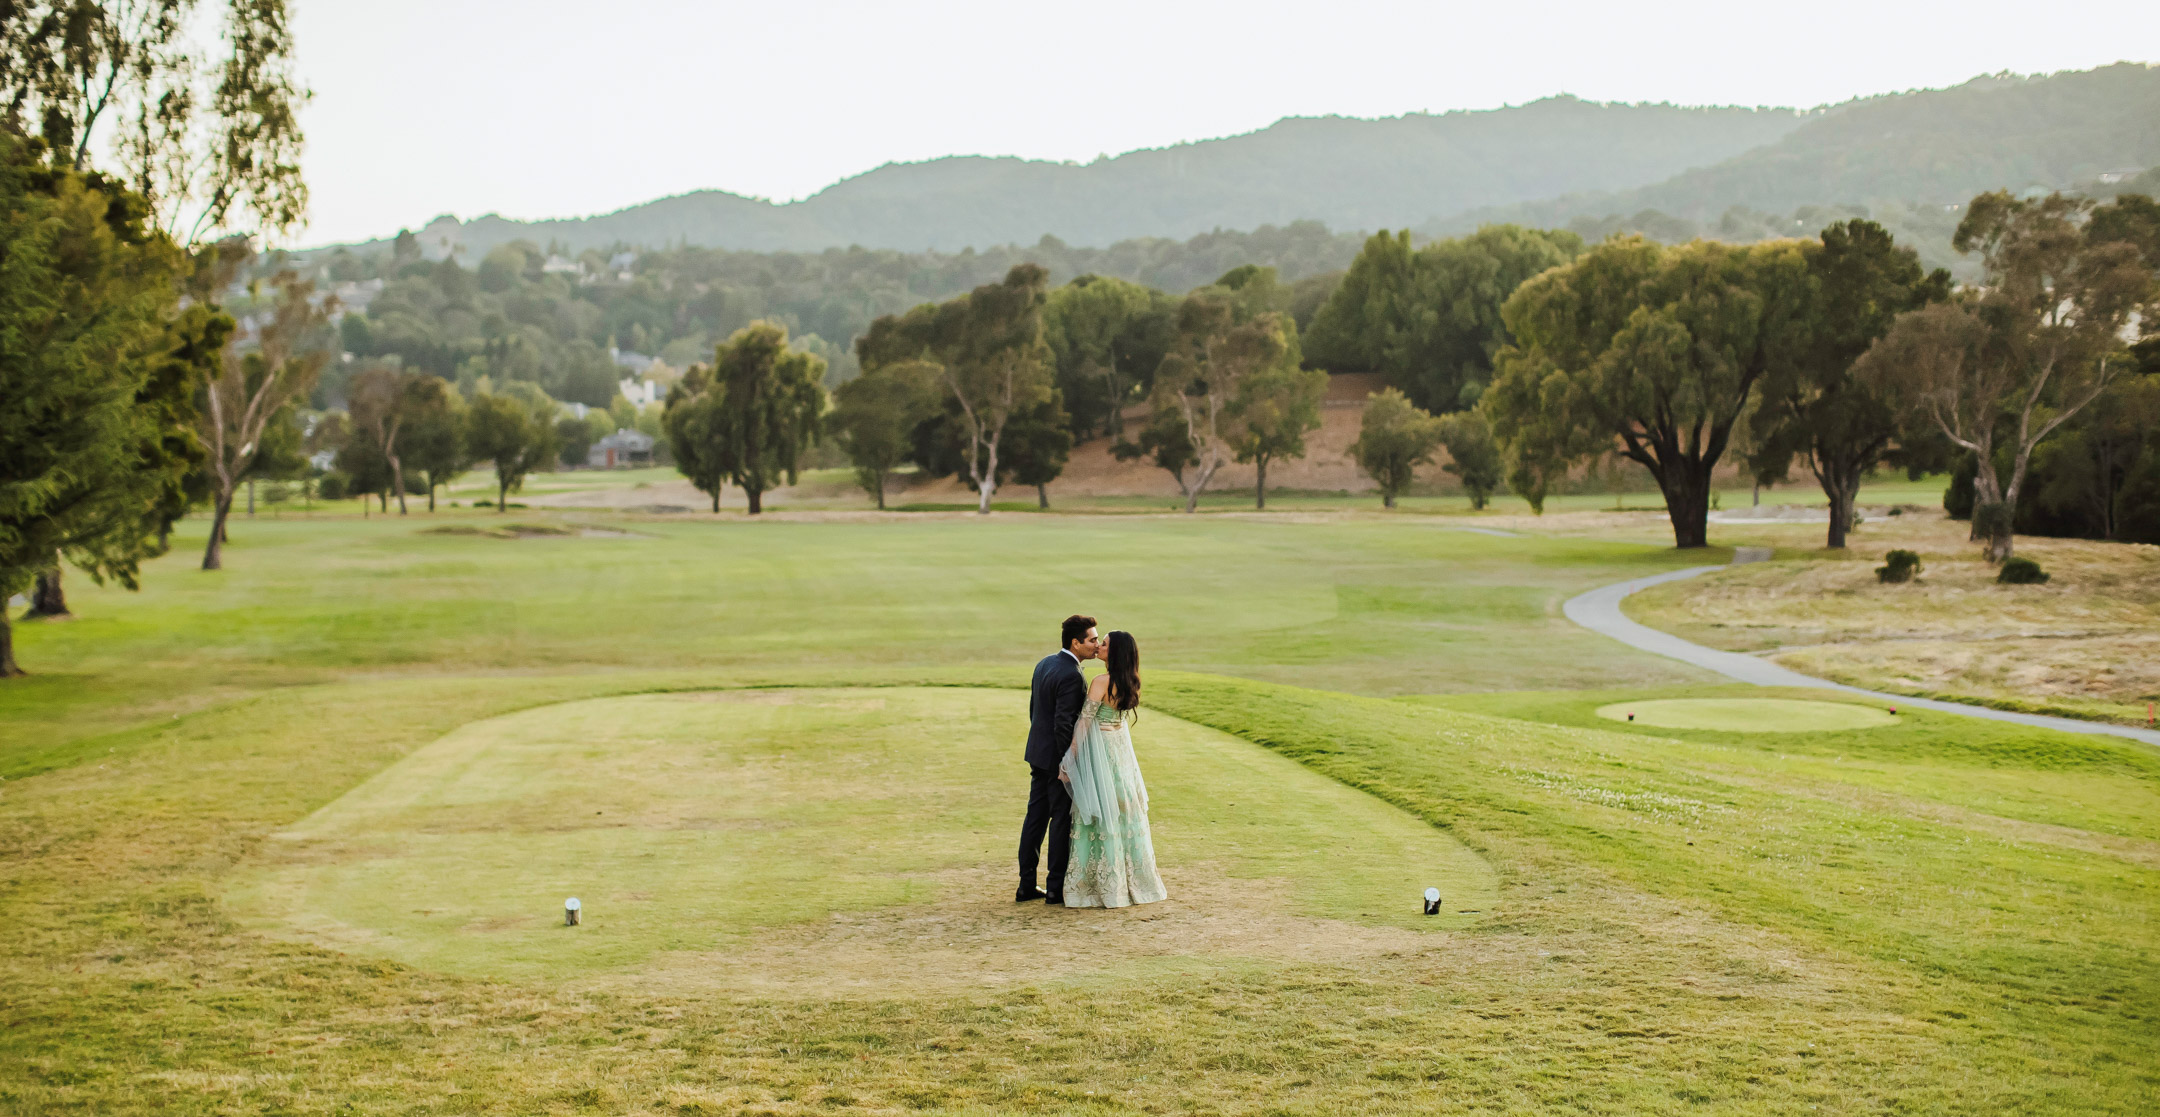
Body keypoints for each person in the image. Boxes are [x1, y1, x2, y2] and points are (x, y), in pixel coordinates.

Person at [1058, 630, 1166, 909]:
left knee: (1100, 809)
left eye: (1103, 644)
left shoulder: (1101, 681)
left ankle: (1100, 888)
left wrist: (1070, 758)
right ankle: (1134, 883)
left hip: (1102, 750)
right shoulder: (1132, 680)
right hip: (1121, 748)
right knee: (1122, 808)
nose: (1098, 647)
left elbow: (1084, 723)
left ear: (1114, 652)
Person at [1017, 614, 1100, 904]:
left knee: (1035, 819)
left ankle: (1026, 885)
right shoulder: (1071, 674)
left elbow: (1035, 711)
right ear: (1075, 643)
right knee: (1061, 821)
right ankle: (1055, 889)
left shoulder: (1045, 663)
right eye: (1092, 640)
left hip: (1037, 754)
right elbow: (1063, 724)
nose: (1096, 644)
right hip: (1056, 761)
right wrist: (1068, 763)